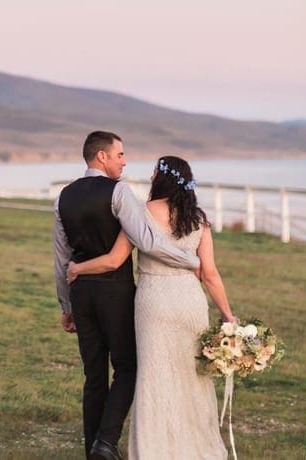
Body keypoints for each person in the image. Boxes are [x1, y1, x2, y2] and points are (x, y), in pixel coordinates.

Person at [67, 155, 237, 459]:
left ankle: (154, 448)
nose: (149, 176)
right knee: (191, 373)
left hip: (153, 301)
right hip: (189, 300)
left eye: (154, 172)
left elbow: (114, 260)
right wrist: (227, 314)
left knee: (153, 374)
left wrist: (78, 268)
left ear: (162, 179)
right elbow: (209, 274)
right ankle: (193, 446)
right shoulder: (198, 218)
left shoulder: (143, 212)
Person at [53, 132, 201, 460]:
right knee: (128, 366)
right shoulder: (119, 192)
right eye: (119, 154)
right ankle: (106, 441)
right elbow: (148, 241)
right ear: (101, 157)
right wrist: (191, 260)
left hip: (81, 294)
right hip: (115, 294)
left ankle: (93, 447)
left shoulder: (63, 196)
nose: (124, 161)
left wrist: (66, 304)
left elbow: (62, 257)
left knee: (93, 374)